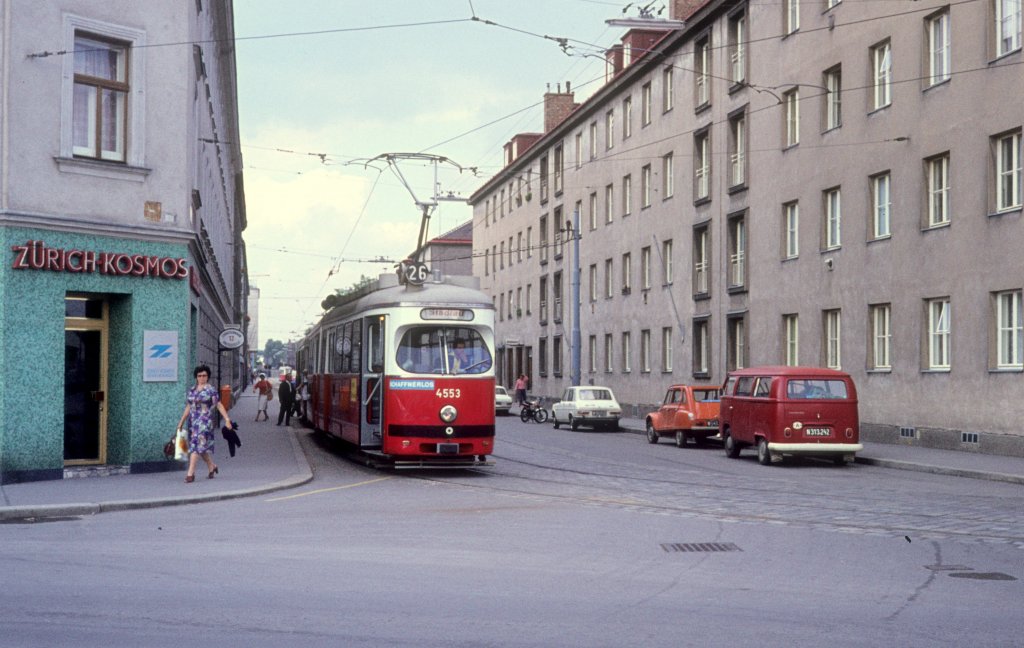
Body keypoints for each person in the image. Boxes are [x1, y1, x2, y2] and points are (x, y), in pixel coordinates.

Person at [176, 364, 232, 483]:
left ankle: (190, 474)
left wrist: (227, 420)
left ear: (208, 377)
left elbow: (219, 404)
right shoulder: (192, 390)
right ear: (196, 377)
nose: (202, 377)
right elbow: (188, 406)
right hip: (193, 422)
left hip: (205, 422)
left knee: (196, 445)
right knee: (201, 447)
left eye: (204, 375)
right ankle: (212, 466)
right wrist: (181, 422)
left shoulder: (211, 390)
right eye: (199, 375)